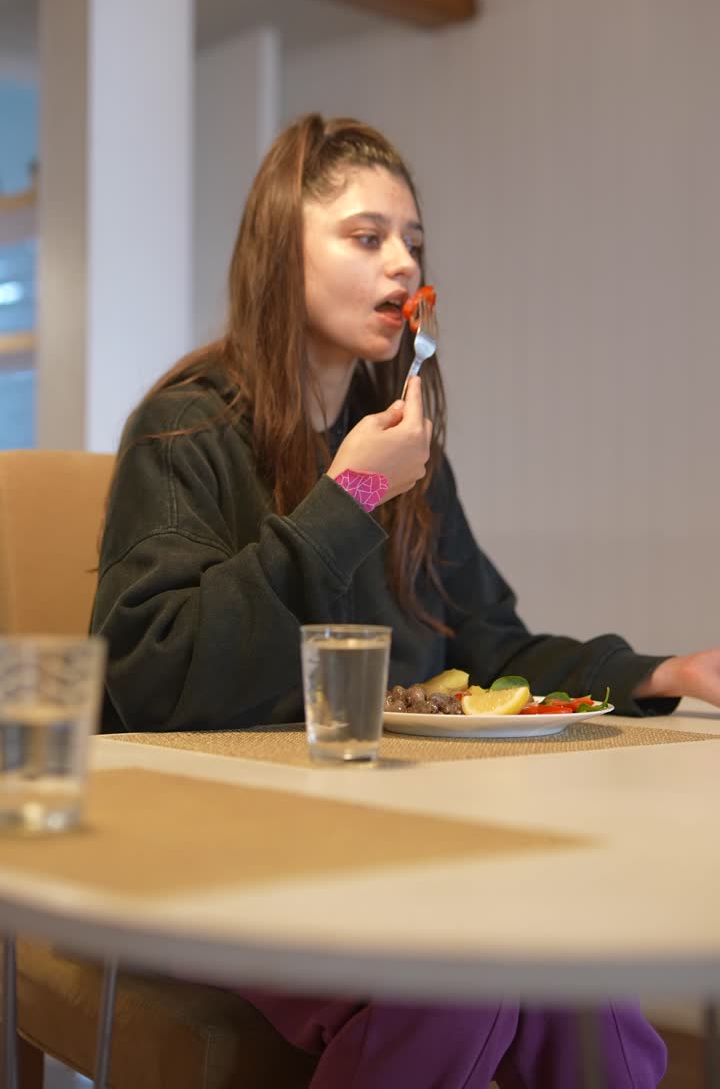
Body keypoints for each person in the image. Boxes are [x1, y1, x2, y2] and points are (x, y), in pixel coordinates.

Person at [92, 113, 718, 1087]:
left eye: (414, 243)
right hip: (214, 841)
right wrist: (350, 498)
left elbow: (484, 643)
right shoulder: (184, 432)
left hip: (390, 828)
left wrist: (661, 670)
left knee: (580, 956)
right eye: (365, 235)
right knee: (463, 968)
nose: (401, 266)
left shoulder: (402, 448)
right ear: (276, 252)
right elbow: (156, 676)